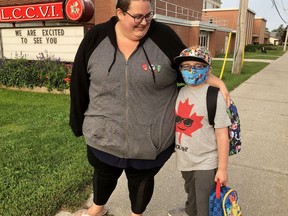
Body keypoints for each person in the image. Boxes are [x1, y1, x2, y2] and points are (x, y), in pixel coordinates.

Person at [69, 1, 229, 216]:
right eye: (137, 17)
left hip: (150, 139)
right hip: (103, 133)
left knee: (142, 180)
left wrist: (218, 83)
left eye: (148, 15)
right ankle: (98, 207)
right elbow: (79, 82)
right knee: (103, 174)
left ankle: (137, 213)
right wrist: (78, 123)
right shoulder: (96, 37)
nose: (144, 22)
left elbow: (190, 67)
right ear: (119, 12)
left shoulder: (163, 36)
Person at [168, 46, 231, 216]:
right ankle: (190, 210)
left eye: (197, 66)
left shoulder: (213, 95)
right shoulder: (179, 92)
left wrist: (223, 168)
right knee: (191, 191)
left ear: (208, 69)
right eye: (186, 67)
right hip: (184, 158)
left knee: (204, 204)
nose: (191, 71)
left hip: (206, 160)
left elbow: (222, 135)